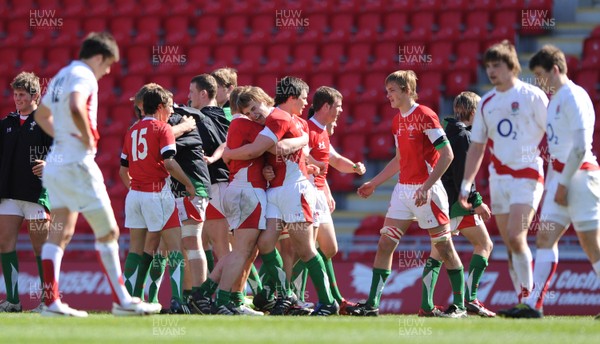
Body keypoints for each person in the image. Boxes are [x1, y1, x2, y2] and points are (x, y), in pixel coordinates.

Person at [34, 32, 160, 317]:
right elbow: (76, 105)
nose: (108, 72)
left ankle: (51, 302)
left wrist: (64, 135)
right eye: (108, 65)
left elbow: (42, 116)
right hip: (77, 163)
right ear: (100, 57)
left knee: (61, 231)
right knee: (109, 232)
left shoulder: (61, 74)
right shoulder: (84, 74)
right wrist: (87, 135)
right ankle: (122, 302)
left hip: (56, 161)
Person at [348, 70, 466, 318]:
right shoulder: (396, 120)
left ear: (407, 90)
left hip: (428, 191)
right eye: (386, 91)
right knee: (385, 243)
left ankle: (461, 306)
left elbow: (447, 155)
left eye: (392, 90)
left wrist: (426, 186)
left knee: (444, 248)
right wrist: (374, 183)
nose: (387, 95)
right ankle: (372, 304)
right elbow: (400, 159)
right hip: (403, 191)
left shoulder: (425, 115)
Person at [503, 45, 600, 318]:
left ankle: (534, 304)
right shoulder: (555, 98)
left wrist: (565, 182)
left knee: (592, 245)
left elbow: (580, 147)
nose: (538, 80)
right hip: (562, 177)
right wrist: (555, 182)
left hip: (580, 177)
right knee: (545, 238)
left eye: (540, 74)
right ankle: (534, 305)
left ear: (555, 70)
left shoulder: (573, 96)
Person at [223, 86, 338, 316]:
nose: (254, 114)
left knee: (304, 249)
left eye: (255, 108)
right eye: (249, 112)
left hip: (294, 190)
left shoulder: (276, 117)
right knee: (265, 244)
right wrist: (270, 165)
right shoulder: (286, 121)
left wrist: (229, 153)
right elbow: (281, 151)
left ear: (265, 100)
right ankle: (286, 295)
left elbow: (273, 147)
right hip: (275, 191)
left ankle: (327, 302)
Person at [458, 40, 548, 314]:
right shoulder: (487, 102)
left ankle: (531, 301)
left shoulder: (533, 96)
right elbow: (477, 147)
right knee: (509, 243)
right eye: (487, 66)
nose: (491, 71)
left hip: (528, 175)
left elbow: (552, 135)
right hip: (500, 178)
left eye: (496, 65)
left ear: (511, 66)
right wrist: (465, 184)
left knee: (515, 235)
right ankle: (523, 300)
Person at [428, 91, 495, 317]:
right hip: (458, 202)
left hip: (445, 200)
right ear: (474, 112)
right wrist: (477, 203)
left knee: (443, 252)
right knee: (480, 246)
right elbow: (463, 176)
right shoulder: (464, 137)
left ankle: (432, 305)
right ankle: (465, 300)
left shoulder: (447, 131)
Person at [303, 86, 365, 314]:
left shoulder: (322, 132)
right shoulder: (307, 128)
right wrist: (316, 167)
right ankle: (322, 299)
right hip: (306, 192)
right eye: (338, 106)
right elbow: (300, 155)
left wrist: (355, 168)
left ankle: (327, 298)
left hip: (318, 193)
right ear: (326, 106)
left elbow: (335, 160)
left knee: (328, 248)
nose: (340, 111)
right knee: (305, 249)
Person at [0, 72, 52, 312]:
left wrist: (49, 165)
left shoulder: (45, 120)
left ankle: (47, 300)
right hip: (9, 194)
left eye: (22, 95)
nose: (17, 98)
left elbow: (64, 151)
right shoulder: (6, 123)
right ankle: (12, 300)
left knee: (41, 248)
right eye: (15, 94)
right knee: (4, 244)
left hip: (36, 195)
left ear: (35, 95)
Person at [188, 74, 231, 274]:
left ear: (203, 94)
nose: (189, 97)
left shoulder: (199, 120)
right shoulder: (227, 115)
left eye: (192, 92)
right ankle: (213, 295)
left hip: (213, 185)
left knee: (221, 247)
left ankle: (230, 296)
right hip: (227, 182)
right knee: (207, 242)